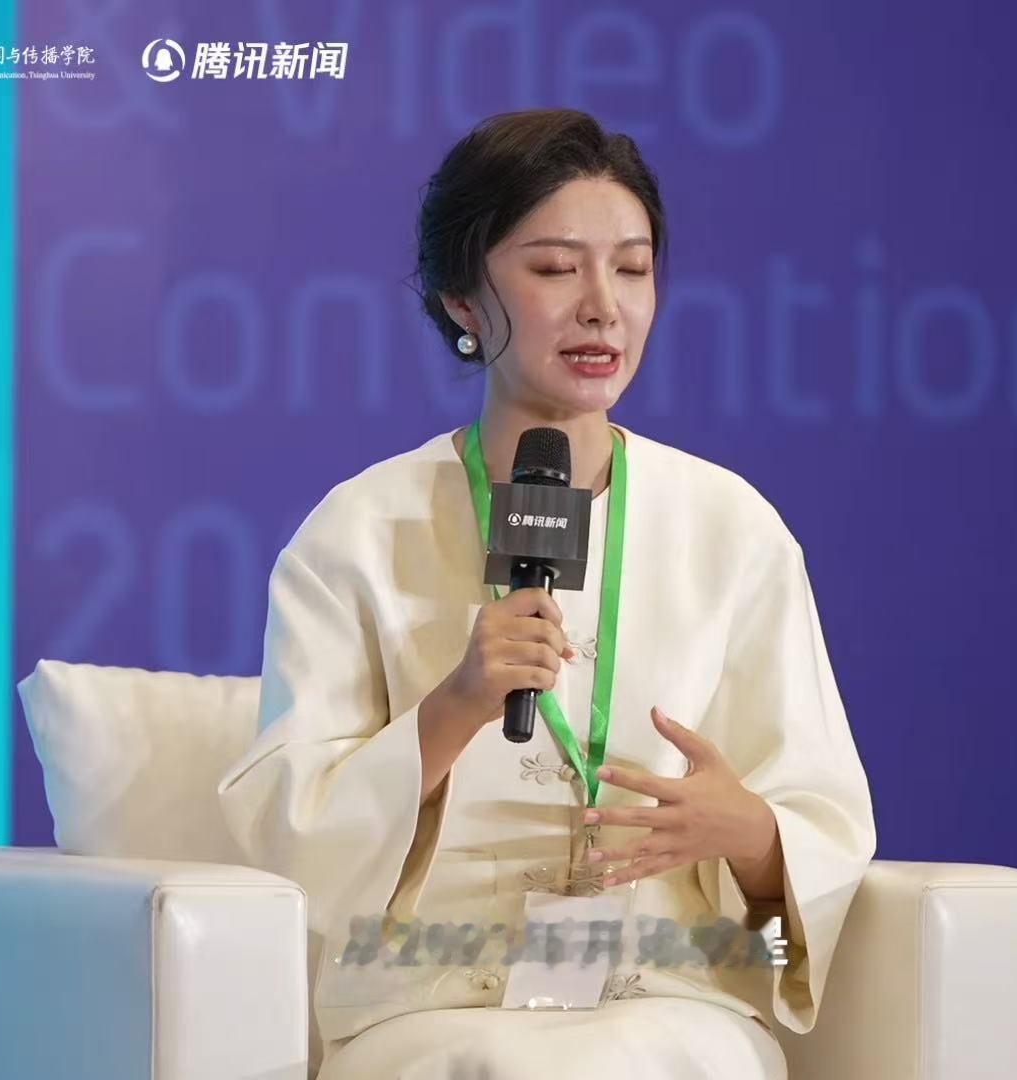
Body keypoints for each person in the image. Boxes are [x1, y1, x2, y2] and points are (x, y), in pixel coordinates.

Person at [219, 108, 875, 1078]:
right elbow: (289, 842)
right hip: (432, 1000)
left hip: (668, 990)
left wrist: (751, 835)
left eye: (633, 269)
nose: (603, 307)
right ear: (462, 301)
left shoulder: (732, 528)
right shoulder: (355, 532)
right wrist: (452, 708)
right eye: (557, 268)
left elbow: (821, 817)